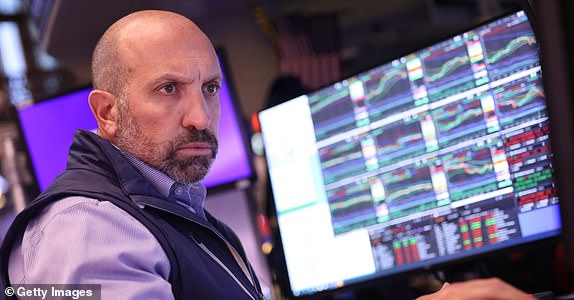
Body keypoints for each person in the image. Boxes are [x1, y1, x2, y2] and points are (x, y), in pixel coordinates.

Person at [0, 9, 533, 300]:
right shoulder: (85, 229)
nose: (200, 117)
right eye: (168, 89)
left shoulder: (169, 207)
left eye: (209, 88)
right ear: (107, 111)